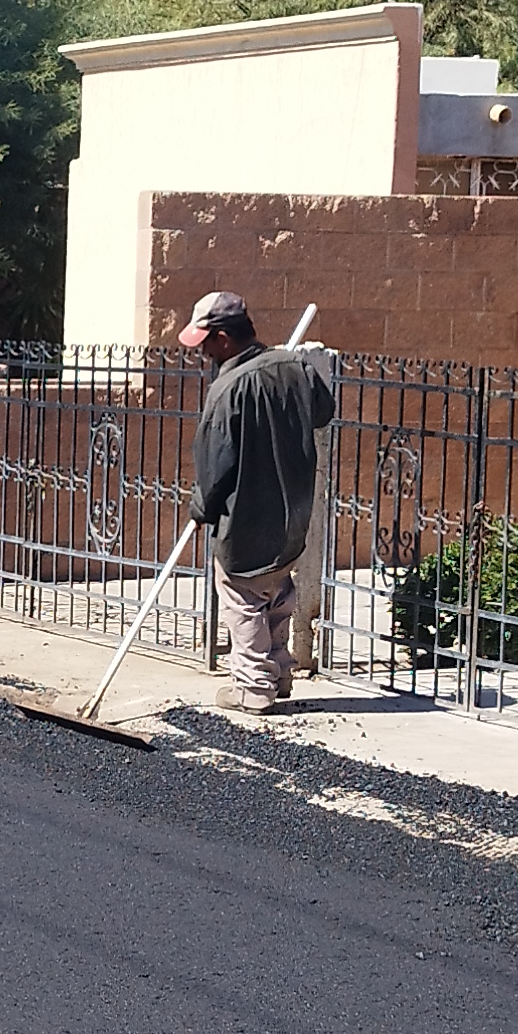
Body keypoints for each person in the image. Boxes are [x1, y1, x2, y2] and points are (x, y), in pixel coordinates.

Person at [182, 290, 339, 715]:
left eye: (206, 343)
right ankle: (280, 673)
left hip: (247, 519)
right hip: (293, 515)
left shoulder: (227, 389)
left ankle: (253, 688)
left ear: (224, 338)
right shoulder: (296, 369)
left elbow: (214, 465)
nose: (204, 353)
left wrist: (201, 508)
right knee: (277, 593)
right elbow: (324, 410)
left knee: (244, 598)